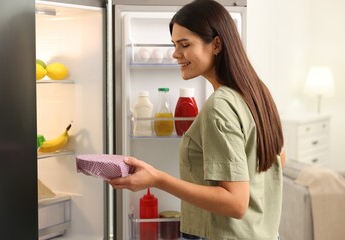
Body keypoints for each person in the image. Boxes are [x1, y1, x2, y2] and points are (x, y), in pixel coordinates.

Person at [109, 0, 285, 239]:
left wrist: (158, 178)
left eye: (185, 44)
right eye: (174, 44)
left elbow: (236, 203)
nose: (175, 53)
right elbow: (277, 160)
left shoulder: (220, 106)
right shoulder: (257, 93)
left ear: (216, 44)